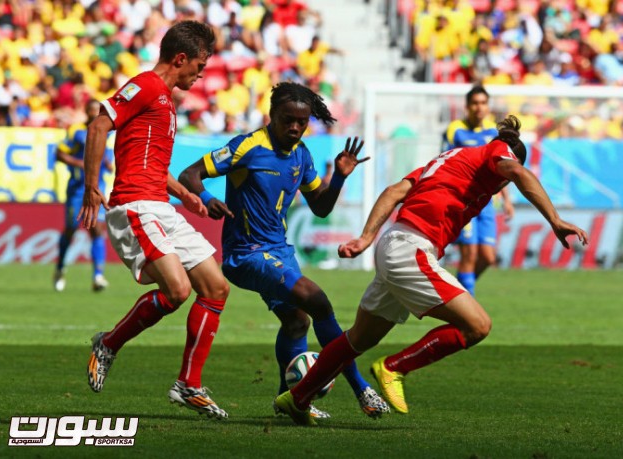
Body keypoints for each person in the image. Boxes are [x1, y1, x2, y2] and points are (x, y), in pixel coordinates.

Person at [274, 115, 589, 425]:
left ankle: (297, 396)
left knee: (359, 338)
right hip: (411, 249)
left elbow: (395, 191)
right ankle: (394, 368)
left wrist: (367, 238)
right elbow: (517, 171)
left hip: (395, 244)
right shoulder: (498, 152)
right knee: (478, 325)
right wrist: (555, 220)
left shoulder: (448, 159)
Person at [178, 81, 389, 420]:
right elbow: (190, 174)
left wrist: (339, 178)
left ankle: (289, 401)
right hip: (246, 253)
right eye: (287, 119)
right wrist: (207, 199)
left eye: (301, 122)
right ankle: (362, 388)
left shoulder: (302, 154)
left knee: (296, 322)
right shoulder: (248, 146)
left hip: (279, 250)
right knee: (317, 300)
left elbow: (320, 208)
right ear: (272, 115)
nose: (294, 127)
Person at [79, 20, 230, 420]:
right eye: (198, 67)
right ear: (179, 58)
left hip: (163, 207)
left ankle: (189, 385)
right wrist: (90, 185)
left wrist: (188, 195)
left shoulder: (165, 100)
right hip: (135, 206)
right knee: (178, 290)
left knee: (215, 288)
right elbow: (99, 124)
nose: (200, 76)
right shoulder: (145, 85)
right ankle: (108, 344)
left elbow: (154, 165)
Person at [443, 85, 514, 297]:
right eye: (475, 103)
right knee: (469, 254)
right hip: (465, 199)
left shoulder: (493, 132)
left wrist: (507, 199)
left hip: (488, 202)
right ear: (467, 106)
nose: (479, 107)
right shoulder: (455, 129)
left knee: (488, 257)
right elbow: (446, 161)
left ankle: (458, 292)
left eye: (483, 103)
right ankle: (466, 309)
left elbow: (500, 167)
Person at [54, 98, 113, 293]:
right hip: (77, 190)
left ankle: (98, 275)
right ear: (86, 112)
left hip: (97, 189)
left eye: (98, 110)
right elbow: (59, 154)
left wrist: (108, 162)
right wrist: (78, 163)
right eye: (92, 110)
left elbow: (108, 157)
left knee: (97, 230)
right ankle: (61, 268)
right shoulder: (77, 131)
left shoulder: (107, 131)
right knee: (71, 230)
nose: (95, 113)